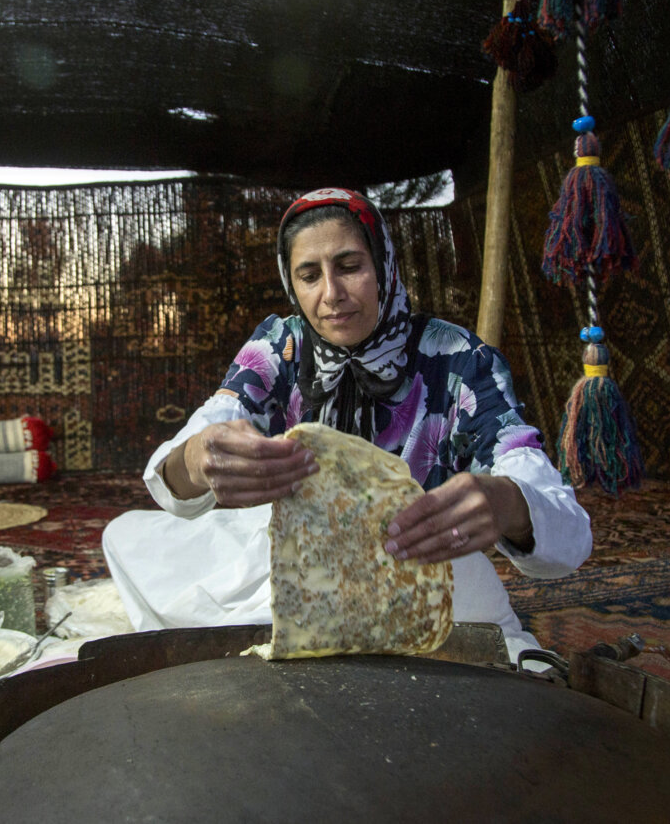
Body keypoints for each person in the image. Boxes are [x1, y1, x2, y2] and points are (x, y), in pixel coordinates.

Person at [102, 187, 591, 663]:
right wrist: (197, 457)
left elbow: (568, 531)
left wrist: (505, 503)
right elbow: (189, 451)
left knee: (492, 652)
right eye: (309, 275)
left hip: (417, 561)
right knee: (126, 537)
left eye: (350, 266)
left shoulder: (458, 359)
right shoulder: (279, 348)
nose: (331, 295)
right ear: (291, 283)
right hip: (304, 560)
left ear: (384, 266)